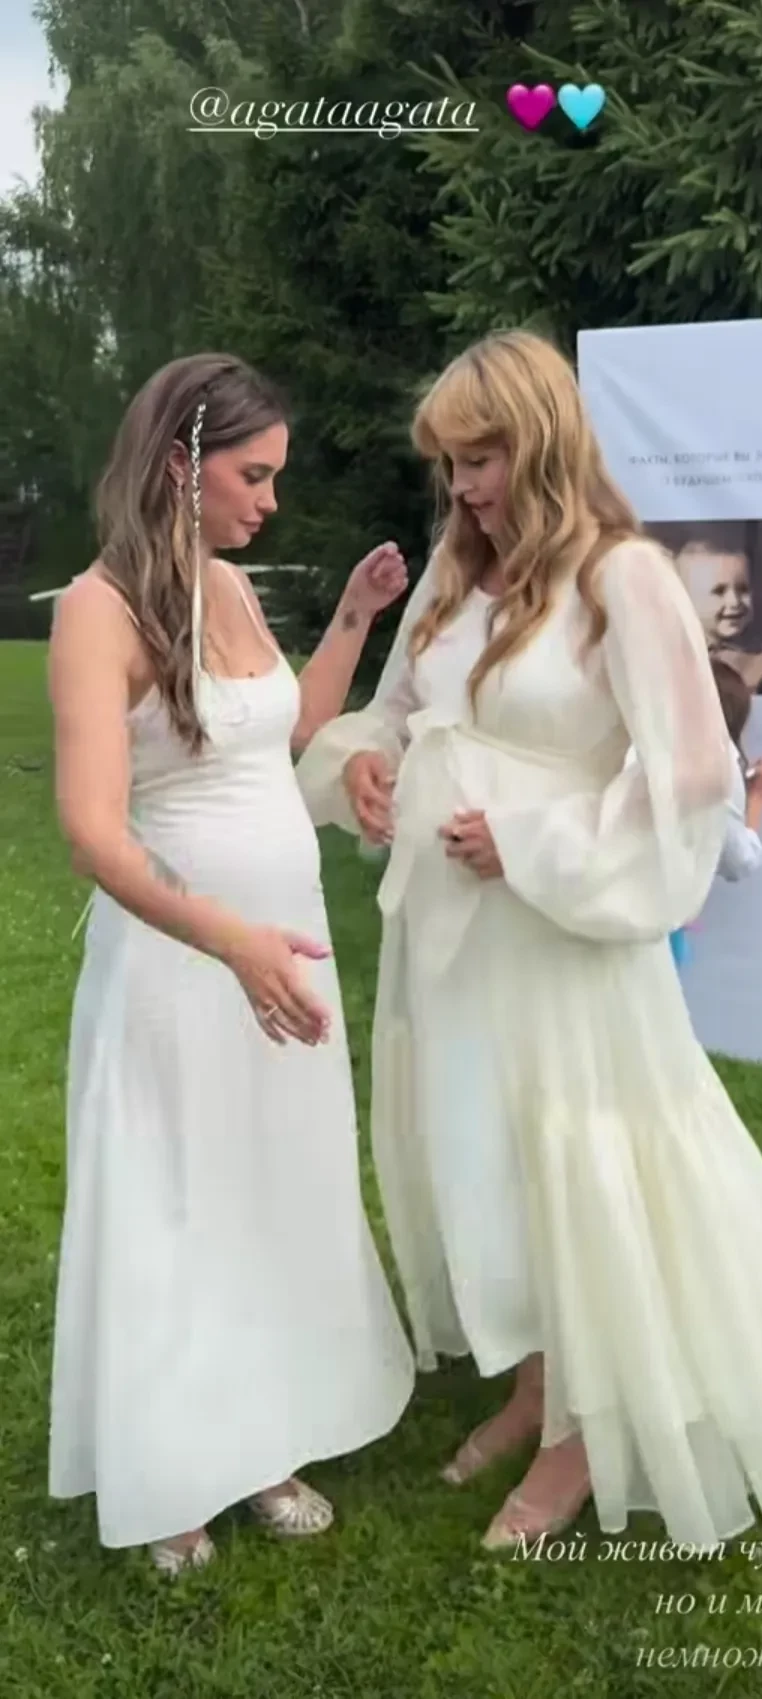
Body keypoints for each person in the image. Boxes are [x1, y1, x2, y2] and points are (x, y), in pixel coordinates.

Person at [296, 330, 762, 1554]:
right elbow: (396, 712)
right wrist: (361, 763)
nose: (462, 486)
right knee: (490, 1153)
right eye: (449, 463)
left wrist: (532, 841)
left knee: (579, 1157)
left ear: (542, 443)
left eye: (481, 458)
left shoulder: (624, 578)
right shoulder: (454, 578)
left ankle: (586, 1428)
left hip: (563, 938)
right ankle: (539, 1380)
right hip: (453, 934)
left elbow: (692, 776)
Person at [46, 352, 417, 1575]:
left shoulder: (232, 586)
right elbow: (93, 830)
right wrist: (232, 944)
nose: (270, 499)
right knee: (182, 1197)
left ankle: (260, 1436)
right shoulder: (99, 610)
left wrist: (355, 620)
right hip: (183, 962)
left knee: (269, 1187)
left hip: (280, 953)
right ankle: (173, 1467)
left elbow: (286, 730)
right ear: (179, 463)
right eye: (253, 476)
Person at [670, 660, 762, 968]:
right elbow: (738, 860)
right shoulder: (716, 765)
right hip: (655, 930)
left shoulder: (649, 748)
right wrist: (757, 798)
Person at [675, 535, 762, 695]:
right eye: (719, 591)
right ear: (686, 599)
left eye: (743, 589)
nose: (735, 601)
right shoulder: (673, 653)